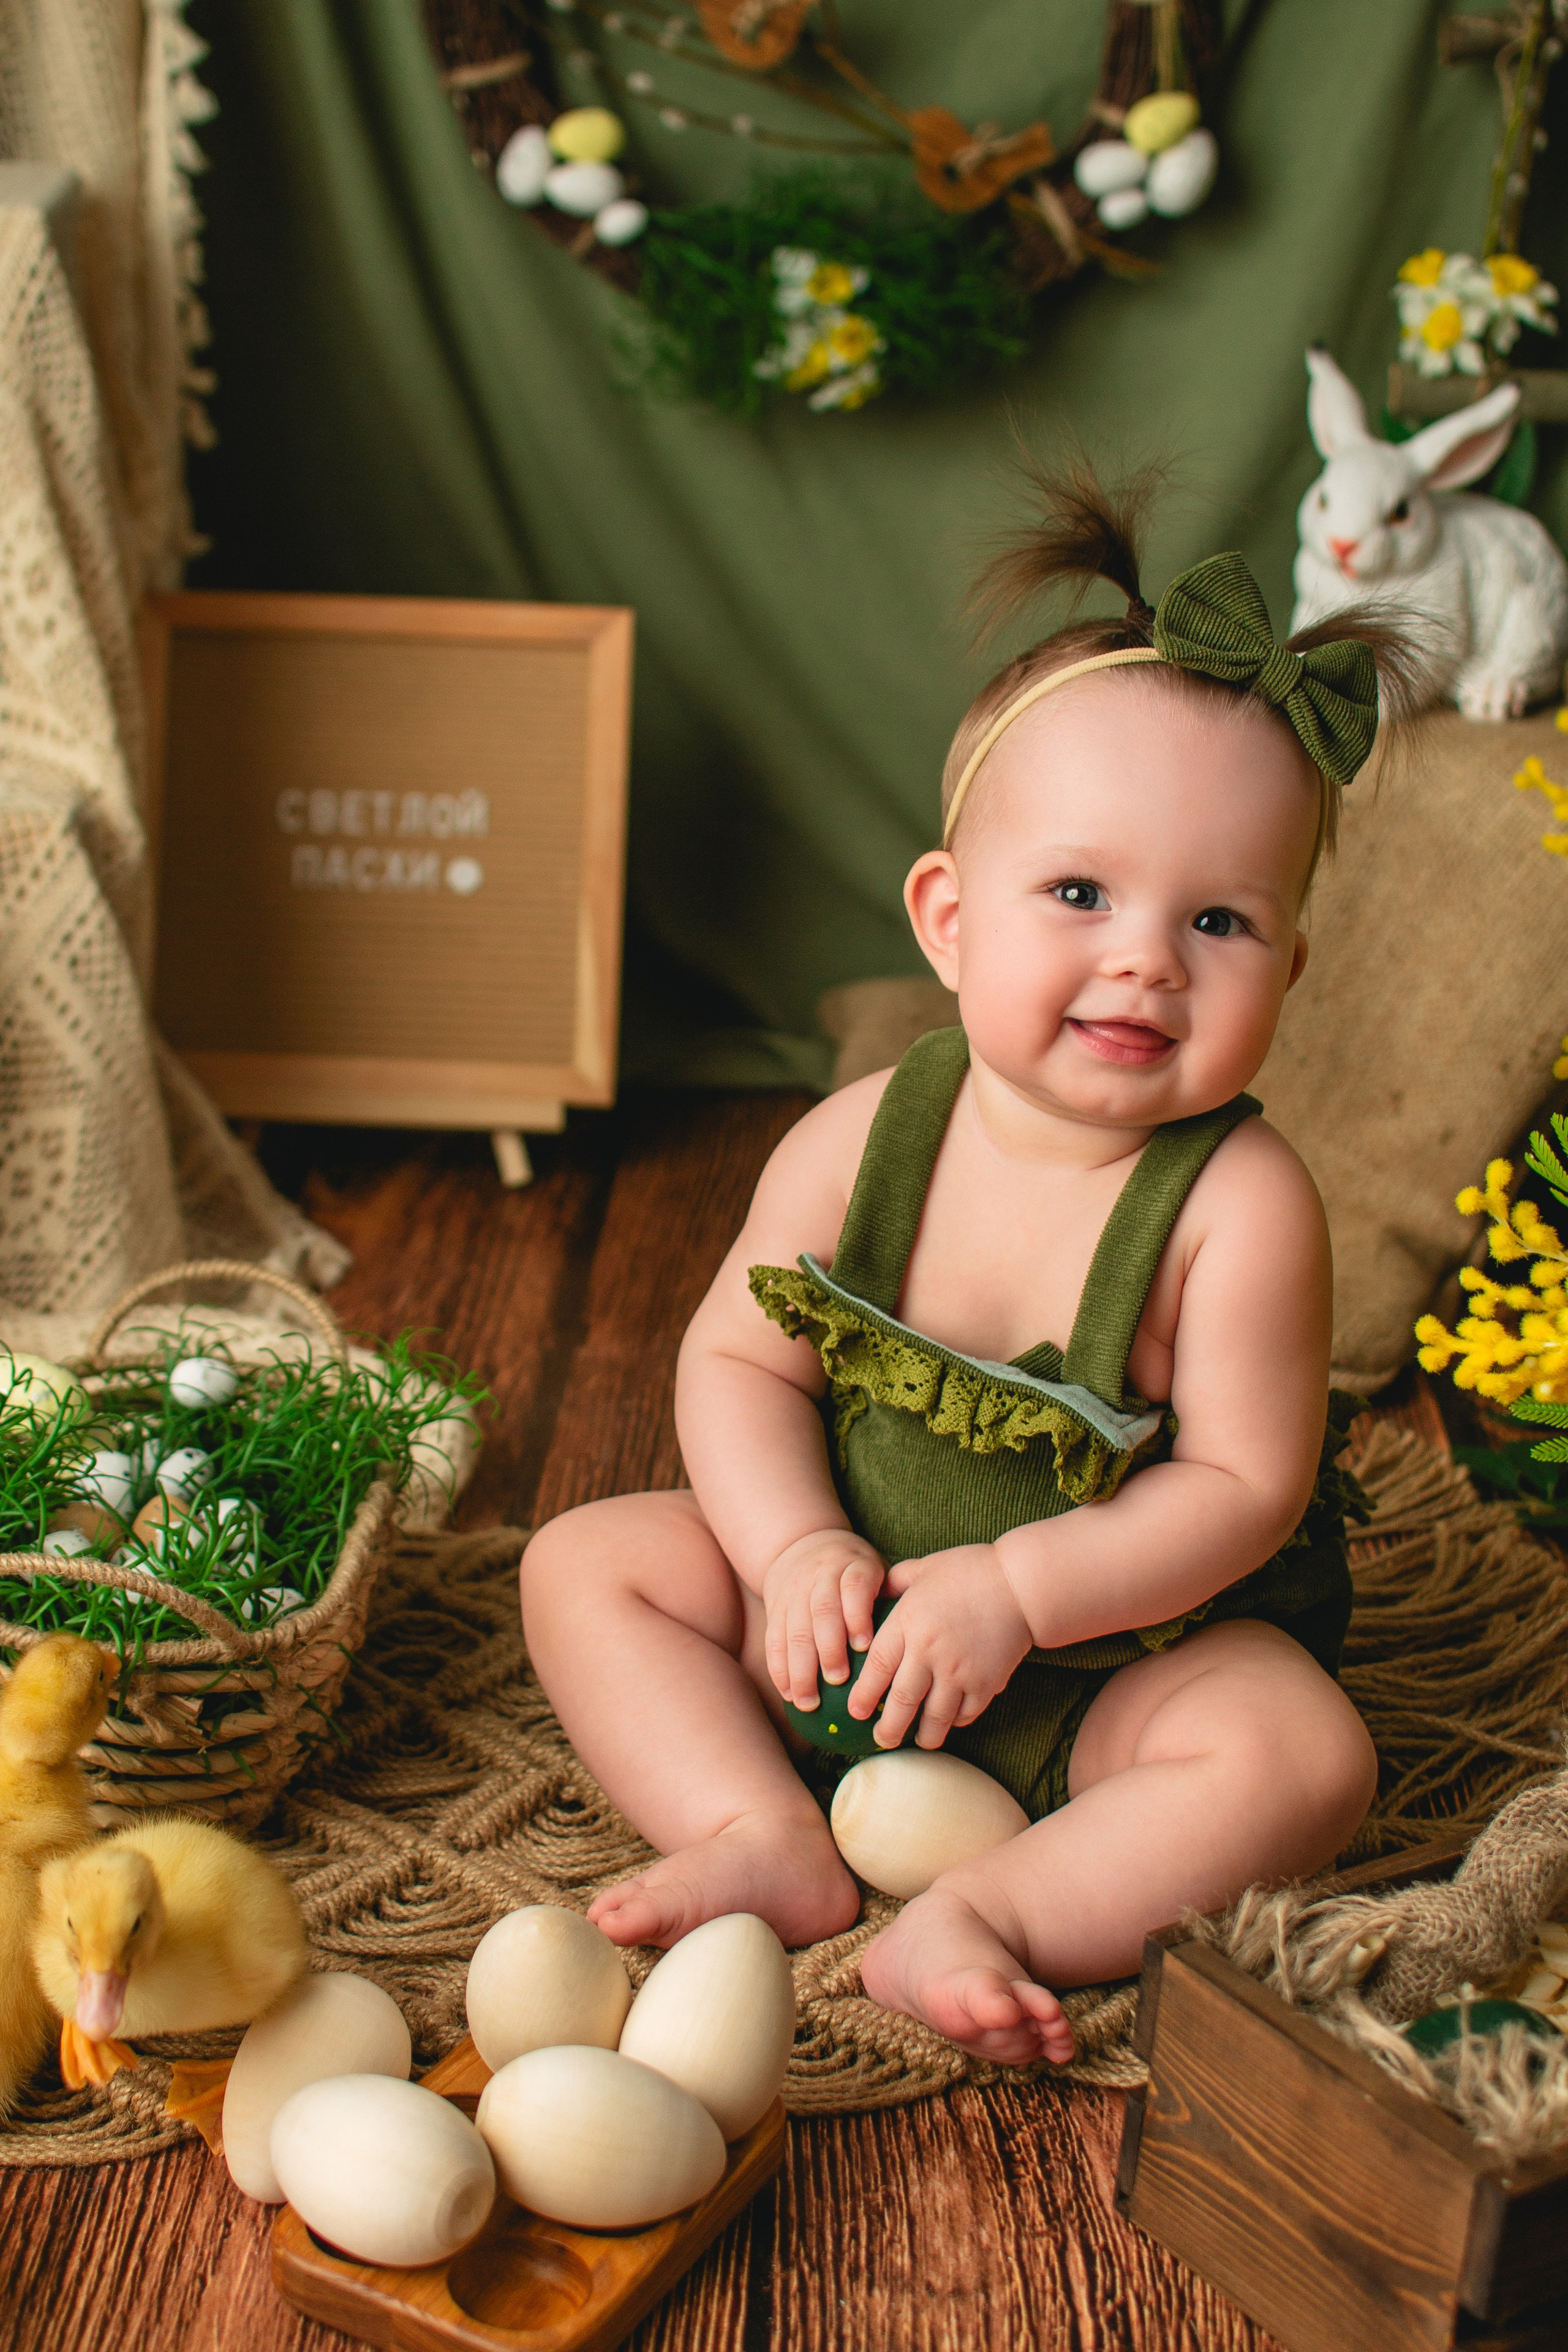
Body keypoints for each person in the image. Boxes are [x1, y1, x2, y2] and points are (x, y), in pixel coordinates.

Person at [522, 463, 1420, 2066]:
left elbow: (1243, 1489)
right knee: (586, 1567)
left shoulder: (1240, 1205)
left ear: (1291, 963)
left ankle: (992, 1909)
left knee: (1303, 1754)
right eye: (1079, 892)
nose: (1145, 955)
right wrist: (794, 1549)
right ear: (949, 918)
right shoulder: (864, 1134)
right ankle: (760, 1828)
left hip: (1108, 1674)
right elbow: (735, 1361)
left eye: (1219, 921)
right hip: (846, 1622)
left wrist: (1020, 1591)